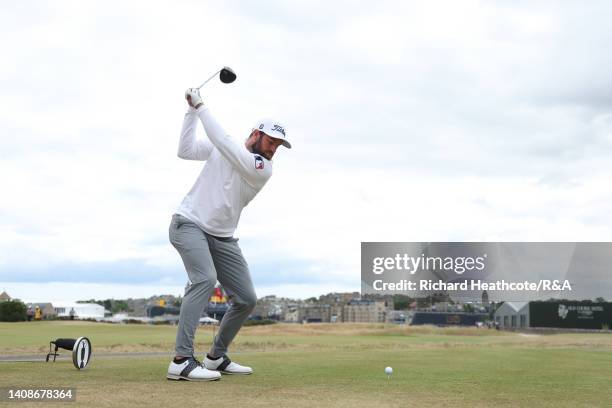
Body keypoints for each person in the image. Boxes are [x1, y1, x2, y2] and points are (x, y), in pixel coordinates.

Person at [166, 88, 291, 382]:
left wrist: (200, 106)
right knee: (205, 279)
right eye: (271, 141)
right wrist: (190, 113)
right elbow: (185, 150)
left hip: (222, 237)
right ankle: (181, 360)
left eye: (278, 145)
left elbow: (223, 141)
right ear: (256, 134)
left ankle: (215, 357)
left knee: (247, 298)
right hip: (189, 224)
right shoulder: (227, 150)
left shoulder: (262, 168)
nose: (274, 149)